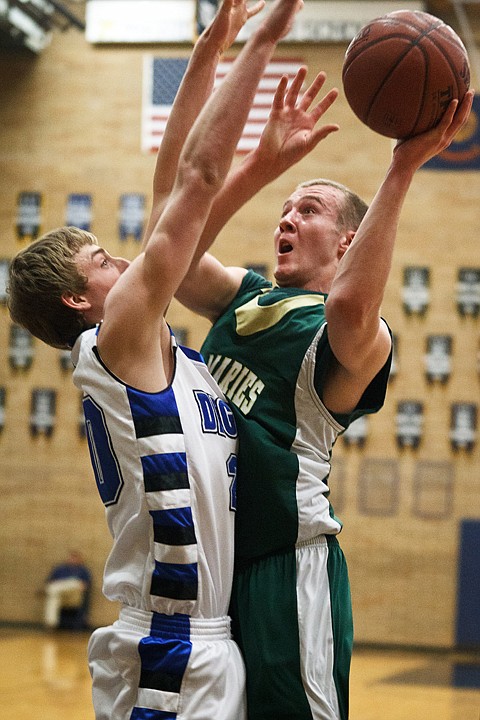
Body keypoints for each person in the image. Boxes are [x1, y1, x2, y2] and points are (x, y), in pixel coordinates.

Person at [7, 2, 308, 718]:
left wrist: (258, 157)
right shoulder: (114, 342)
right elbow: (193, 181)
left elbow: (188, 206)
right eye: (104, 261)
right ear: (81, 303)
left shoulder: (181, 358)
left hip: (207, 638)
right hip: (165, 647)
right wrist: (255, 43)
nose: (127, 262)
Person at [172, 80, 474, 718]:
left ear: (347, 242)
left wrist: (401, 167)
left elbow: (350, 303)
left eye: (307, 210)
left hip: (288, 568)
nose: (286, 218)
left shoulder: (355, 337)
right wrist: (261, 167)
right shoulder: (244, 296)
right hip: (215, 569)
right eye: (284, 210)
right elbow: (173, 252)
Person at [43, 550, 92, 630]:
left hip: (74, 595)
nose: (73, 560)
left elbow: (86, 585)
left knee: (73, 583)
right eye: (71, 558)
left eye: (75, 558)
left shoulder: (83, 570)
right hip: (61, 595)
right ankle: (51, 622)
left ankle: (54, 589)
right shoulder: (60, 569)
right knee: (53, 598)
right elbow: (50, 581)